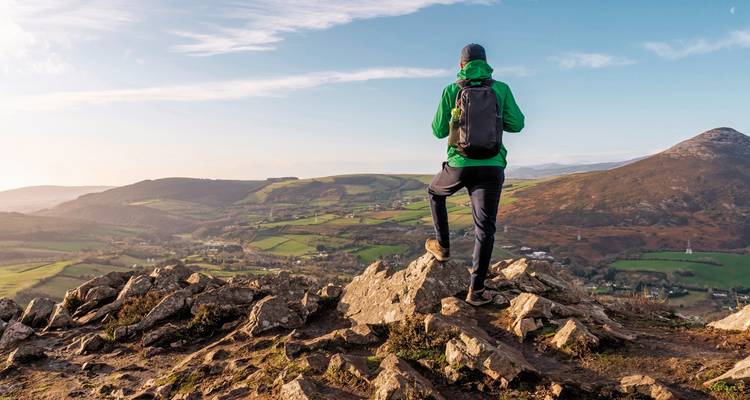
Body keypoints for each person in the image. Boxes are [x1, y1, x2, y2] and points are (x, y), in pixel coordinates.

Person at [425, 43, 525, 306]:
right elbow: (518, 124)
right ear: (486, 63)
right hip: (491, 166)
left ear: (461, 65)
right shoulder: (500, 89)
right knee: (485, 229)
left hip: (460, 164)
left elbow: (437, 131)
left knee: (435, 193)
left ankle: (443, 248)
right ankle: (476, 292)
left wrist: (456, 122)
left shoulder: (451, 90)